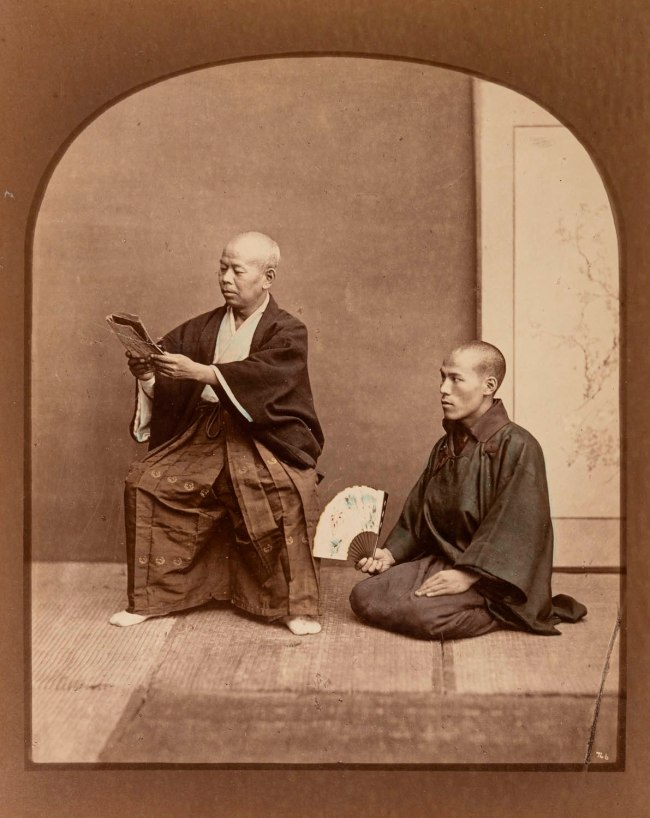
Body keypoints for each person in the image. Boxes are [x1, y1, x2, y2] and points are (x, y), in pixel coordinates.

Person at [109, 231, 324, 635]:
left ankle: (292, 607)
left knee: (287, 493)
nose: (225, 277)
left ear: (268, 277)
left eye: (236, 270)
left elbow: (271, 380)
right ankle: (155, 599)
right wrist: (149, 374)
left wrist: (205, 372)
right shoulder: (202, 327)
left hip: (264, 439)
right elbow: (169, 371)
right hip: (202, 433)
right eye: (222, 268)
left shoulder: (288, 331)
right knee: (146, 484)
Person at [350, 341, 587, 640]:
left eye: (456, 379)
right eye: (442, 377)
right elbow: (418, 513)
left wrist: (468, 575)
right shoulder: (446, 445)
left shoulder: (519, 446)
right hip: (445, 559)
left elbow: (515, 528)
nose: (443, 389)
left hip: (495, 578)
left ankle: (499, 612)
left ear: (489, 385)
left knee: (424, 616)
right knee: (365, 595)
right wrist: (391, 554)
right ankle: (451, 597)